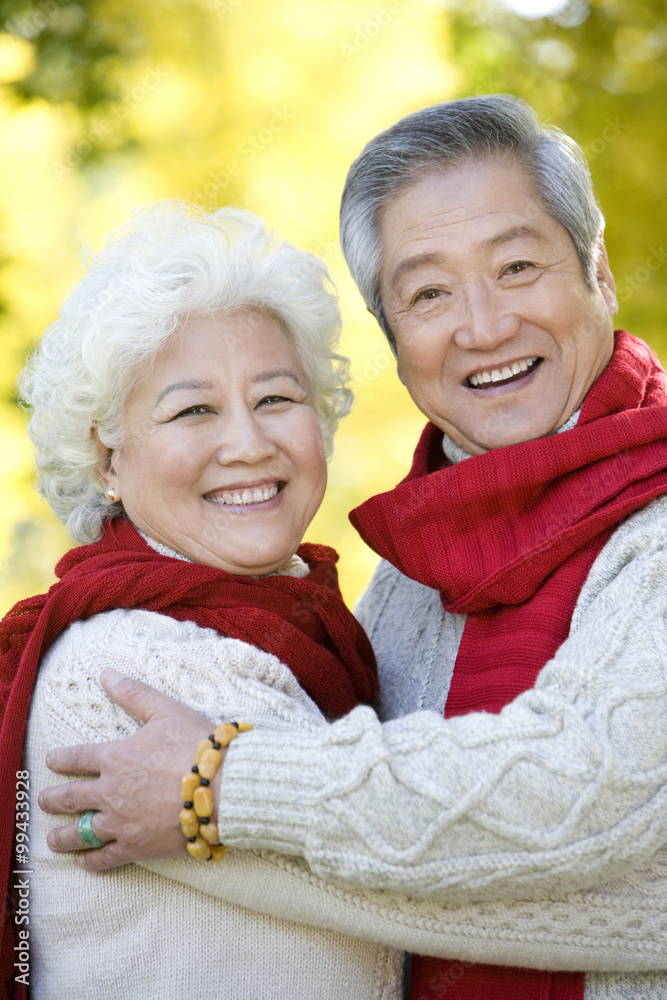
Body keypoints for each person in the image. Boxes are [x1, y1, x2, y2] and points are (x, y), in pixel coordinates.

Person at [37, 97, 667, 1000]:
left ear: (598, 275)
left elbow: (572, 794)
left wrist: (221, 787)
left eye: (517, 266)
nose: (482, 327)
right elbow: (399, 886)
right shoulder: (406, 576)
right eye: (427, 293)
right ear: (394, 337)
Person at [0, 201, 409, 999]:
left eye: (276, 399)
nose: (249, 444)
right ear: (106, 457)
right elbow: (420, 880)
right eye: (193, 410)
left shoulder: (299, 627)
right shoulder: (127, 666)